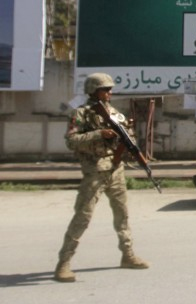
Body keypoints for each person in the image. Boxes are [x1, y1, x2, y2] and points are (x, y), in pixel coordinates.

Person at [54, 73, 149, 283]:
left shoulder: (114, 113)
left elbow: (127, 139)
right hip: (94, 171)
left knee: (122, 215)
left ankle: (128, 255)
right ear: (93, 91)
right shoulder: (81, 114)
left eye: (110, 89)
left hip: (115, 168)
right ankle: (63, 263)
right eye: (105, 89)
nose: (110, 93)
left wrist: (128, 138)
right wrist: (100, 134)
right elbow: (72, 141)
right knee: (83, 217)